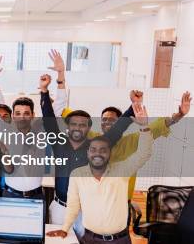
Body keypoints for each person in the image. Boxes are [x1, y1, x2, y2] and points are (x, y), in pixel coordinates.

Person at [47, 103, 154, 244]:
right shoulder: (78, 174)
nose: (98, 153)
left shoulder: (121, 170)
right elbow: (73, 204)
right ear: (87, 152)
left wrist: (144, 127)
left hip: (119, 240)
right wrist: (65, 228)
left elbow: (143, 154)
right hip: (90, 238)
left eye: (103, 150)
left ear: (110, 153)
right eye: (93, 150)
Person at [0, 55, 46, 199]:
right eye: (18, 113)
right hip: (10, 194)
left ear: (33, 115)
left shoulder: (40, 132)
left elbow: (56, 110)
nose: (22, 117)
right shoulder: (5, 131)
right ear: (13, 116)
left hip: (36, 196)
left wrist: (55, 83)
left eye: (26, 113)